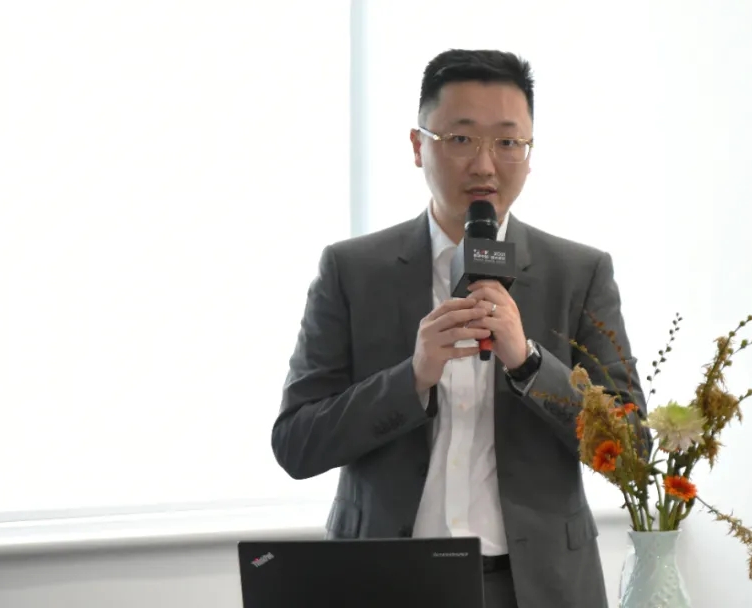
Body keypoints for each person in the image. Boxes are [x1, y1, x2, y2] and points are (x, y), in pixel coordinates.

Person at [272, 49, 646, 608]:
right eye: (462, 138)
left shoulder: (579, 273)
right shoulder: (352, 270)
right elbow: (296, 444)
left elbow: (633, 449)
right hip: (386, 580)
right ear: (418, 145)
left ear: (529, 153)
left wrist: (531, 365)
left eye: (508, 141)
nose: (485, 165)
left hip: (536, 586)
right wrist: (412, 377)